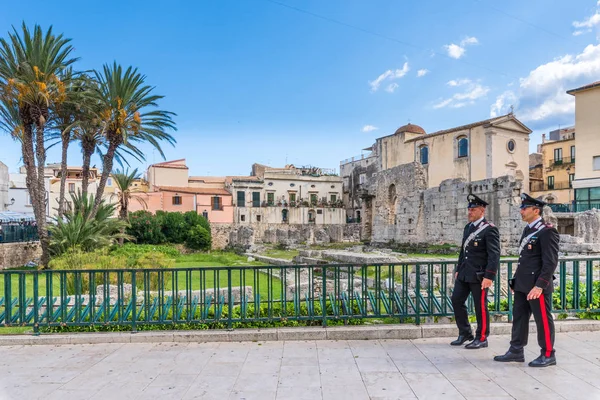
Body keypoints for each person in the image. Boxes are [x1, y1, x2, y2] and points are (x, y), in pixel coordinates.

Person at [494, 193, 559, 367]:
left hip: (537, 287)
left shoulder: (547, 231)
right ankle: (516, 350)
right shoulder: (528, 229)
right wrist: (517, 281)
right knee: (519, 318)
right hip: (523, 285)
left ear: (535, 210)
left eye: (524, 208)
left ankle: (548, 354)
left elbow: (550, 262)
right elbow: (525, 259)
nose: (521, 211)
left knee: (543, 320)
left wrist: (540, 286)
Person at [450, 193, 500, 349]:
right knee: (456, 300)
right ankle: (465, 332)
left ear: (481, 210)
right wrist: (459, 268)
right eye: (469, 209)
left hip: (479, 276)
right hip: (465, 273)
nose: (469, 212)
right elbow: (462, 251)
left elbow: (494, 254)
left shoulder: (489, 229)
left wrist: (489, 276)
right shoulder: (468, 227)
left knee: (480, 307)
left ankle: (482, 337)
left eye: (473, 210)